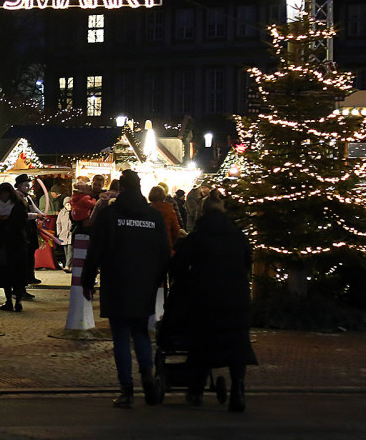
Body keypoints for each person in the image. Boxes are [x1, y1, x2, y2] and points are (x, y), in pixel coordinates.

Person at [81, 169, 171, 408]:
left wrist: (87, 281)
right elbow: (164, 251)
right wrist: (157, 278)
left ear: (121, 187)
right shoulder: (153, 216)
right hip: (144, 283)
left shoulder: (110, 215)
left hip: (117, 281)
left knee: (121, 336)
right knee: (141, 333)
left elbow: (95, 251)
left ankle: (127, 389)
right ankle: (148, 378)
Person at [169, 189, 257, 412]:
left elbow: (178, 267)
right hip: (236, 299)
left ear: (202, 213)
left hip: (205, 298)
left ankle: (196, 389)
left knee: (202, 343)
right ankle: (238, 389)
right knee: (237, 344)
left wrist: (188, 282)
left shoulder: (197, 238)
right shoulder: (238, 236)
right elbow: (247, 263)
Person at [0, 182, 29, 312]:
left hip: (16, 243)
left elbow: (22, 222)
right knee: (4, 272)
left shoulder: (18, 206)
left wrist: (6, 220)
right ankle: (9, 300)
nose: (4, 196)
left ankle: (18, 300)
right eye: (2, 193)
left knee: (17, 272)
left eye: (6, 193)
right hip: (2, 244)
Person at [14, 174, 41, 291]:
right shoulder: (16, 197)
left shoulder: (28, 198)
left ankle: (30, 276)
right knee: (24, 256)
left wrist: (41, 215)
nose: (28, 187)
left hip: (30, 229)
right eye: (26, 185)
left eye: (29, 185)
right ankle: (23, 283)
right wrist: (36, 216)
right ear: (19, 186)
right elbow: (21, 215)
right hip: (22, 229)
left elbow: (35, 209)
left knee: (31, 253)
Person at [148, 185, 184, 250]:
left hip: (151, 246)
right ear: (164, 196)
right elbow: (176, 231)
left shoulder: (147, 211)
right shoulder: (170, 210)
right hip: (166, 244)